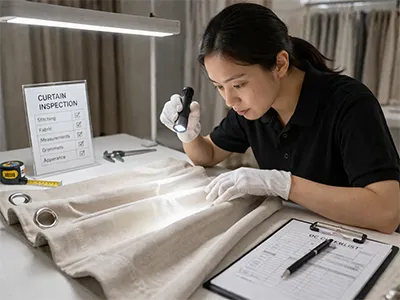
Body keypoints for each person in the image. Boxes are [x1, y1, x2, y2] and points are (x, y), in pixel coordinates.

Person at [160, 3, 400, 233]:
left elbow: (386, 213)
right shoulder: (253, 108)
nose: (229, 101)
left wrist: (281, 184)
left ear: (280, 64)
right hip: (296, 227)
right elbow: (208, 154)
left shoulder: (349, 103)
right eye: (219, 87)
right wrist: (187, 133)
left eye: (239, 84)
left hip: (362, 241)